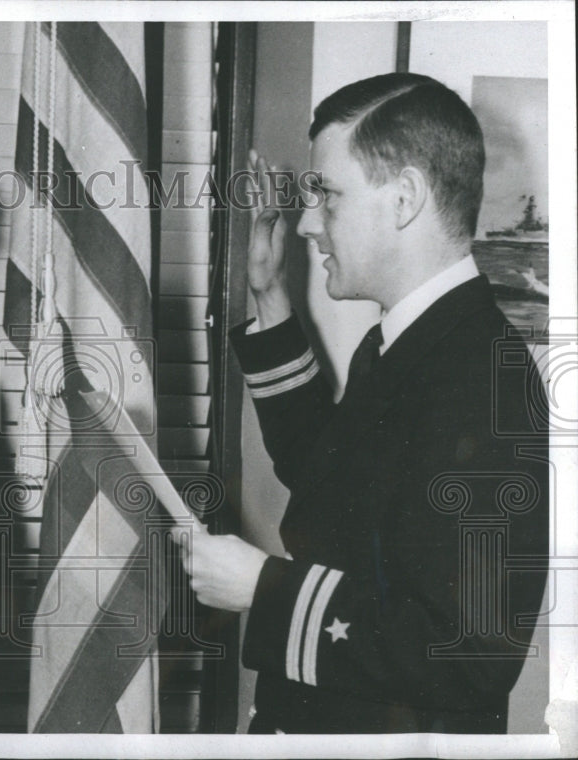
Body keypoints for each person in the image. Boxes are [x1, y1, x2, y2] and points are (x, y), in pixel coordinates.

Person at [181, 73, 548, 733]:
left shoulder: (481, 376)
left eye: (327, 196)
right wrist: (271, 294)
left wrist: (263, 590)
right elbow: (337, 484)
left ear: (404, 198)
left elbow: (470, 654)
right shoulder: (412, 341)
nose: (306, 223)